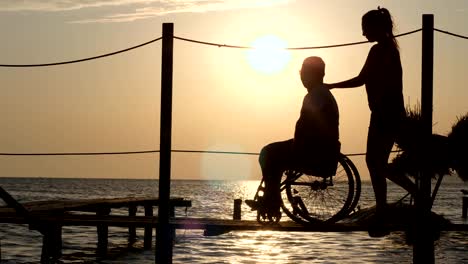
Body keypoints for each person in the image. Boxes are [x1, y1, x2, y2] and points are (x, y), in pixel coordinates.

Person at [325, 7, 416, 236]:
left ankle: (396, 201)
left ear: (377, 28)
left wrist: (333, 85)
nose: (363, 34)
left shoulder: (380, 51)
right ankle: (390, 204)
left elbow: (362, 79)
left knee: (375, 162)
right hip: (389, 113)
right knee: (376, 162)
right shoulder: (390, 50)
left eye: (366, 29)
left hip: (384, 115)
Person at [247, 56, 340, 216]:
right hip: (321, 147)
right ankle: (272, 199)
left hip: (313, 150)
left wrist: (296, 147)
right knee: (273, 153)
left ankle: (272, 201)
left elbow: (304, 124)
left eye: (305, 74)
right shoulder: (323, 94)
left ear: (315, 74)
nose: (302, 78)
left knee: (268, 153)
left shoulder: (316, 95)